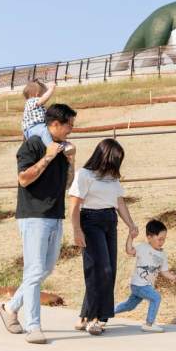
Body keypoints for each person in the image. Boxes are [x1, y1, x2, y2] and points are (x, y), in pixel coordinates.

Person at [0, 103, 77, 344]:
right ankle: (34, 326)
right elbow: (23, 179)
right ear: (55, 124)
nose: (71, 130)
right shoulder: (32, 144)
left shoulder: (63, 149)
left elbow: (67, 184)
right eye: (69, 125)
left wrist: (71, 160)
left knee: (46, 269)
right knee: (33, 271)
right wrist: (47, 157)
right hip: (33, 215)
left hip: (55, 214)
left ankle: (10, 307)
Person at [69, 139, 138, 336]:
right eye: (116, 160)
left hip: (110, 220)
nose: (117, 165)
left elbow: (120, 203)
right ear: (105, 157)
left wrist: (131, 224)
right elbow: (74, 205)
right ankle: (93, 318)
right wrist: (77, 230)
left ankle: (86, 315)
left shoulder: (113, 178)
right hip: (90, 221)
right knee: (100, 269)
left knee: (109, 269)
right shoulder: (85, 175)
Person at [114, 218, 176, 333]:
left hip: (145, 286)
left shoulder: (162, 254)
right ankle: (149, 324)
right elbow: (129, 251)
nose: (162, 242)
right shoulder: (143, 248)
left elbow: (165, 272)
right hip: (138, 285)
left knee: (129, 306)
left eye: (164, 239)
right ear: (149, 237)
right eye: (159, 239)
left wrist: (175, 277)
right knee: (156, 297)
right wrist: (131, 237)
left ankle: (105, 312)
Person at [21, 80, 56, 146]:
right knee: (44, 131)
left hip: (37, 127)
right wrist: (51, 89)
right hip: (34, 127)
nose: (44, 96)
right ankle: (52, 147)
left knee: (48, 130)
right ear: (37, 94)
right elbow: (42, 100)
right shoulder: (32, 101)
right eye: (43, 94)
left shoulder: (32, 104)